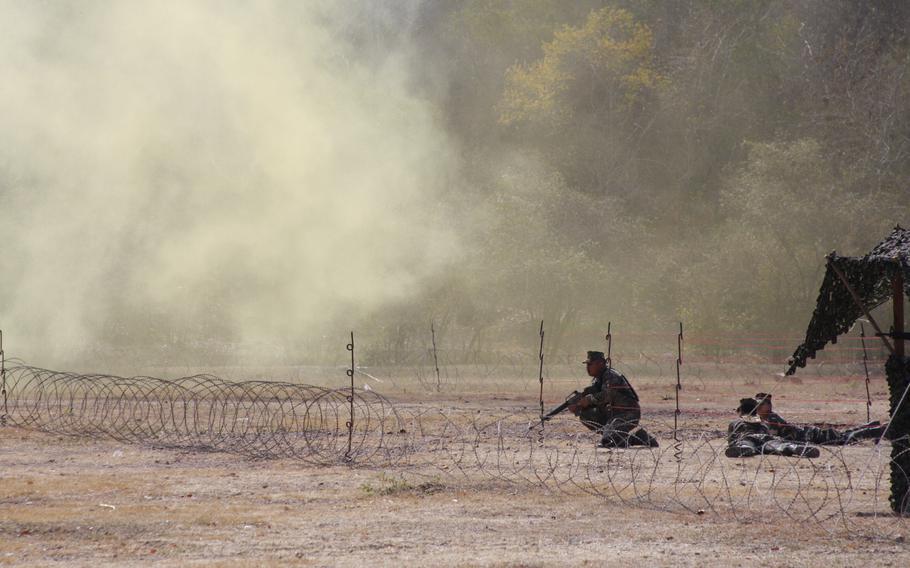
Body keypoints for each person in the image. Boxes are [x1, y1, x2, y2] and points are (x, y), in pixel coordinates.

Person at [568, 351, 658, 448]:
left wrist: (589, 399)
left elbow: (607, 395)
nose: (587, 368)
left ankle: (629, 437)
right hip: (612, 414)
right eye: (587, 365)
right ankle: (629, 437)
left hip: (627, 413)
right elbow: (597, 400)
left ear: (600, 363)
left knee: (609, 442)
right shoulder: (598, 379)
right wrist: (578, 406)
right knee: (587, 415)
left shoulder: (611, 376)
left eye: (590, 364)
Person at [751, 392, 887, 445]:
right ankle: (872, 425)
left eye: (759, 406)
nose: (756, 409)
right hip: (810, 434)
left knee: (845, 439)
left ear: (767, 407)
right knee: (844, 434)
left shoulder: (771, 418)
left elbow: (773, 436)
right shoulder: (768, 418)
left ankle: (876, 431)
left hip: (810, 436)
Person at [725, 398, 820, 458]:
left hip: (748, 438)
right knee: (777, 446)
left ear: (740, 411)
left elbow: (731, 439)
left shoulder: (736, 422)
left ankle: (745, 448)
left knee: (745, 444)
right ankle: (793, 448)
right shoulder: (763, 421)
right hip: (766, 439)